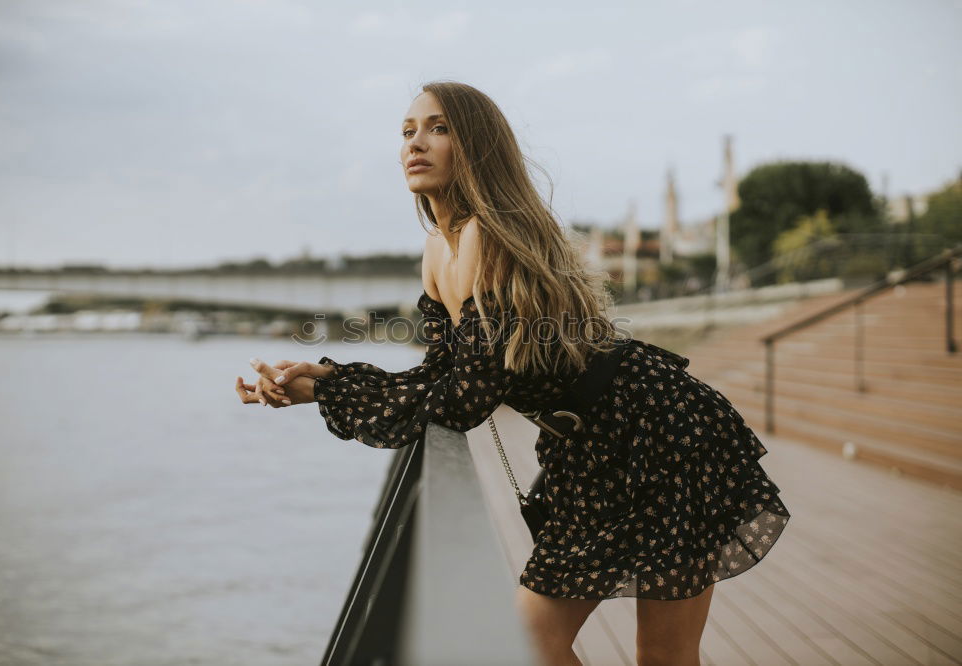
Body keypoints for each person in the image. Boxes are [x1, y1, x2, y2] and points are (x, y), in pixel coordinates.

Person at [236, 80, 791, 666]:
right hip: (590, 445)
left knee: (662, 653)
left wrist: (335, 387)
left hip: (659, 427)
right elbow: (441, 375)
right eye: (406, 132)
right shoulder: (437, 250)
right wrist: (323, 383)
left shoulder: (486, 235)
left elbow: (467, 397)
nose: (415, 144)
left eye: (438, 128)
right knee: (539, 642)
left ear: (476, 146)